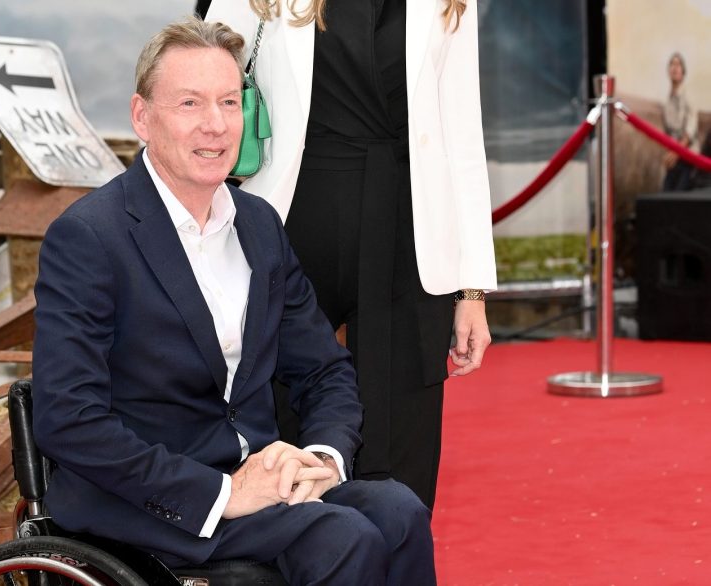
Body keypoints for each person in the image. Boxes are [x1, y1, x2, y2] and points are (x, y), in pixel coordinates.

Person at [32, 17, 436, 585]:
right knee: (341, 538)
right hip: (143, 504)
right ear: (142, 117)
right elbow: (68, 419)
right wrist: (222, 492)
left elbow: (323, 368)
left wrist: (322, 458)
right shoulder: (90, 237)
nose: (217, 125)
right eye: (190, 104)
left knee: (398, 510)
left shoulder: (258, 225)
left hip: (255, 482)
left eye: (229, 101)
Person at [204, 0, 496, 509]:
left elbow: (463, 132)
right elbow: (203, 63)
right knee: (277, 419)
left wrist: (472, 287)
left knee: (403, 437)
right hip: (291, 218)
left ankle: (391, 561)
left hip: (410, 232)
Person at [661, 52, 699, 192]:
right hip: (674, 157)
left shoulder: (689, 95)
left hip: (688, 157)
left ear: (683, 71)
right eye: (672, 64)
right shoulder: (667, 102)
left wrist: (676, 153)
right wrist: (670, 154)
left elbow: (690, 131)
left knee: (678, 195)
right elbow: (668, 133)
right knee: (665, 193)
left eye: (678, 64)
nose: (675, 68)